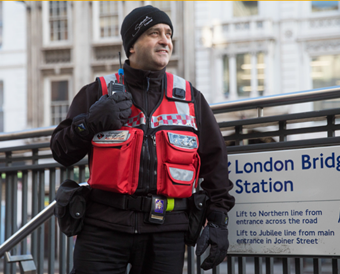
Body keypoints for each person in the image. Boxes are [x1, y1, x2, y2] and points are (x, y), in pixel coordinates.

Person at [51, 5, 235, 274]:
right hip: (103, 229)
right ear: (132, 46)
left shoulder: (190, 97)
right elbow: (60, 151)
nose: (165, 40)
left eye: (168, 34)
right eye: (154, 33)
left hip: (166, 232)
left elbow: (215, 161)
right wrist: (90, 122)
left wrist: (218, 220)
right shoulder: (98, 92)